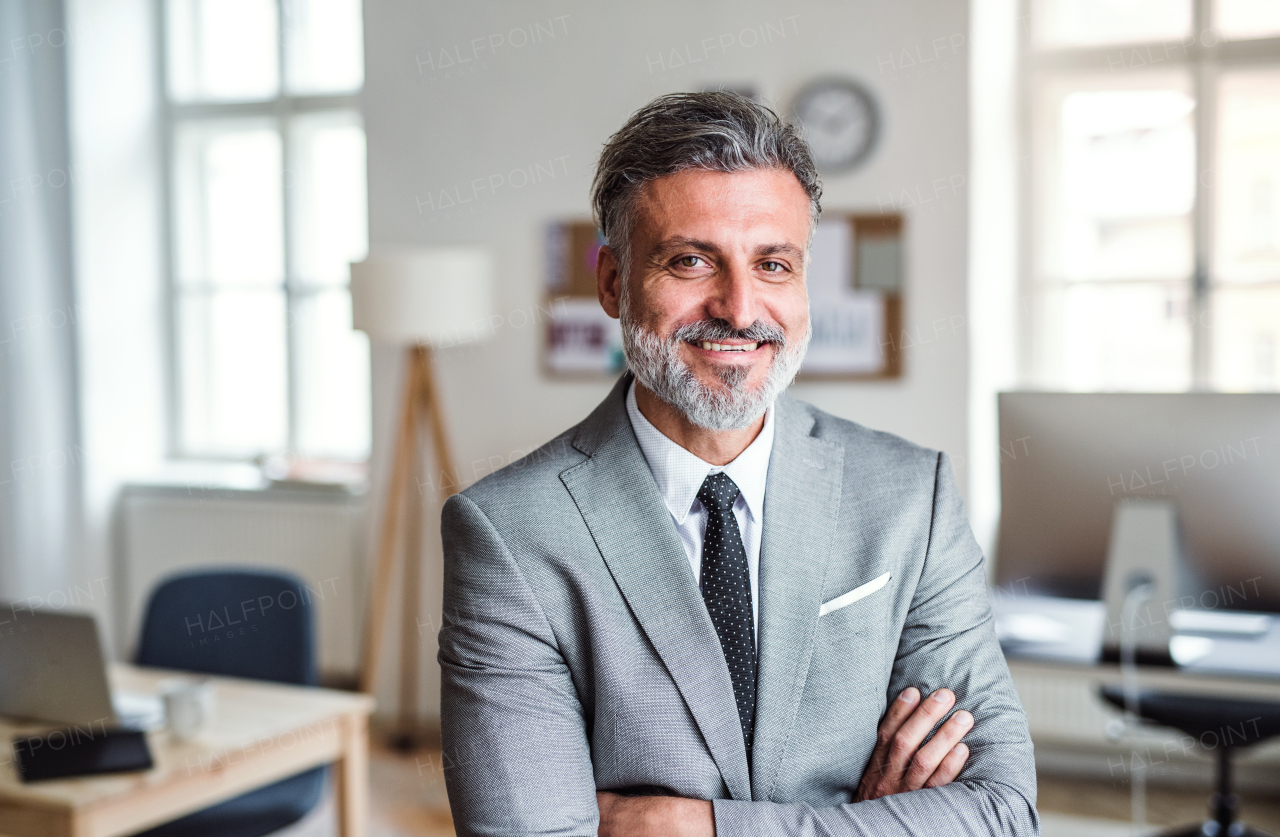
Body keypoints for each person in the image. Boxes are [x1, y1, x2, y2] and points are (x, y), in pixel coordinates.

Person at [438, 91, 1038, 837]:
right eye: (691, 260)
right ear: (613, 282)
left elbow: (1001, 812)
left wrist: (691, 826)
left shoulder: (913, 496)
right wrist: (857, 822)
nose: (739, 306)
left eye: (773, 263)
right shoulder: (508, 534)